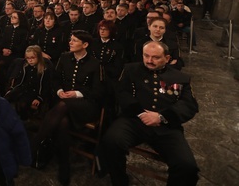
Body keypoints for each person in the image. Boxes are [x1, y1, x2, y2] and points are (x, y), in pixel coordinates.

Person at [99, 41, 199, 186]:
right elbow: (122, 93)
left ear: (167, 58)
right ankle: (119, 181)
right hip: (134, 121)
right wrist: (140, 113)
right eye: (146, 56)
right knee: (111, 141)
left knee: (187, 166)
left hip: (166, 127)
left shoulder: (180, 78)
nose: (149, 60)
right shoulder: (131, 69)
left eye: (155, 57)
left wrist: (161, 117)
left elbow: (189, 104)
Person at [30, 30, 103, 184]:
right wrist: (60, 91)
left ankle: (33, 144)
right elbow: (55, 79)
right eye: (70, 39)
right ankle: (65, 165)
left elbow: (96, 92)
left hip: (85, 104)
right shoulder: (64, 57)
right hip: (63, 103)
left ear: (85, 45)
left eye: (74, 40)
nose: (70, 42)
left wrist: (76, 93)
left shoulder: (95, 64)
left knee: (62, 107)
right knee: (62, 122)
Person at [5, 45, 54, 120]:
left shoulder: (44, 70)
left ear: (39, 57)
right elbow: (20, 81)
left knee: (22, 104)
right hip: (23, 88)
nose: (30, 60)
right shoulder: (25, 66)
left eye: (32, 58)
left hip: (34, 92)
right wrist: (12, 89)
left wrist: (39, 98)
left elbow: (45, 86)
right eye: (28, 58)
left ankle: (22, 121)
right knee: (6, 98)